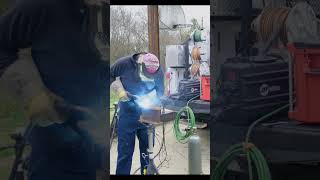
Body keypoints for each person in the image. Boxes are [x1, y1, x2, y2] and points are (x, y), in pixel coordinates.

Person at [0, 0, 109, 179]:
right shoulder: (44, 5)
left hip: (99, 150)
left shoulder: (104, 11)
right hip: (57, 155)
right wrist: (32, 94)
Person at [110, 52, 164, 175]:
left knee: (147, 152)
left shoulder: (157, 69)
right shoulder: (123, 64)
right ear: (139, 64)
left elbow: (160, 92)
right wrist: (119, 90)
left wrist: (155, 102)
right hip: (127, 113)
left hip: (148, 111)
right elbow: (109, 75)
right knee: (125, 152)